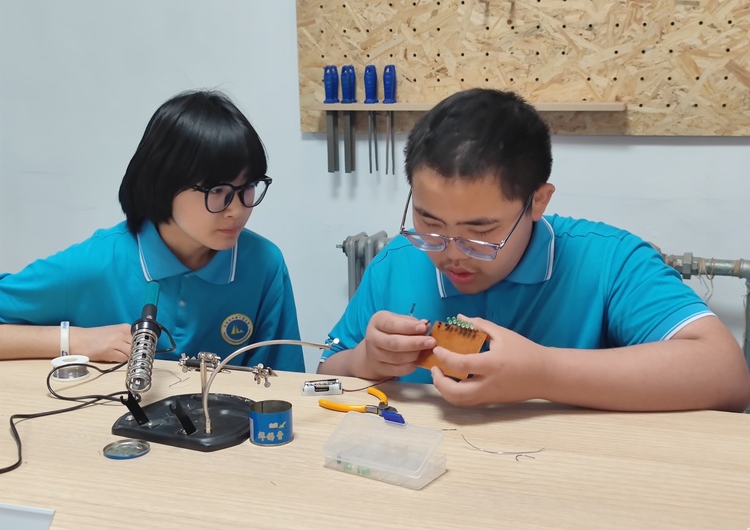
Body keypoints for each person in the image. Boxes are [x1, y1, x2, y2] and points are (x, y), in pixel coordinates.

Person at [318, 88, 750, 412]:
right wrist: (365, 360)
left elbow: (726, 376)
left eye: (480, 230)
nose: (450, 253)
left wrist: (544, 373)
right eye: (429, 222)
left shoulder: (606, 260)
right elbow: (321, 376)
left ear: (538, 202)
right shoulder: (397, 262)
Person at [0, 90, 304, 371]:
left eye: (248, 187)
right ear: (163, 184)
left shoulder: (263, 265)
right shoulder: (98, 263)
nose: (237, 209)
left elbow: (284, 384)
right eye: (218, 190)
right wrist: (76, 341)